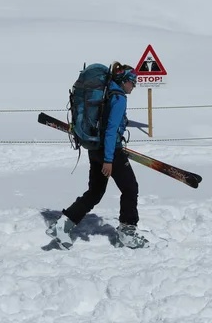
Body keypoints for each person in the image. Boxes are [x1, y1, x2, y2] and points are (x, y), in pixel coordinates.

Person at [46, 62, 148, 249]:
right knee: (130, 188)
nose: (134, 85)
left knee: (95, 192)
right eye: (133, 82)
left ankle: (63, 224)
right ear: (124, 81)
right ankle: (127, 231)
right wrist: (109, 160)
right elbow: (110, 131)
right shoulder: (118, 98)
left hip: (94, 148)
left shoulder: (107, 93)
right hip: (110, 152)